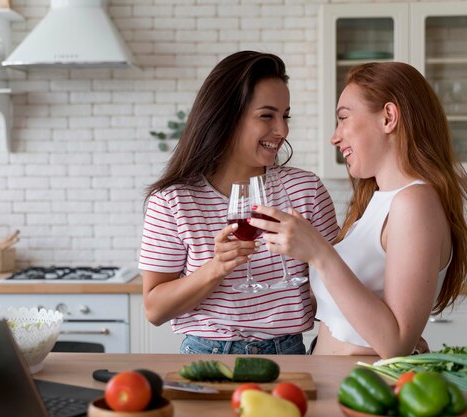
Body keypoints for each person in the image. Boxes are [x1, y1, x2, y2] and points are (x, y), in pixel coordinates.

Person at [252, 62, 467, 359]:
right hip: (330, 375)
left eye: (343, 118)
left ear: (388, 117)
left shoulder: (414, 203)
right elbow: (355, 313)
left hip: (363, 390)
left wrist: (320, 253)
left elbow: (395, 343)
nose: (335, 137)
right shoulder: (379, 200)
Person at [138, 51, 340, 355]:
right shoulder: (173, 201)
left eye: (285, 116)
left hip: (290, 354)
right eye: (266, 115)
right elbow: (155, 310)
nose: (282, 130)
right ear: (227, 116)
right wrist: (217, 267)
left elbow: (340, 288)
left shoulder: (304, 189)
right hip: (207, 356)